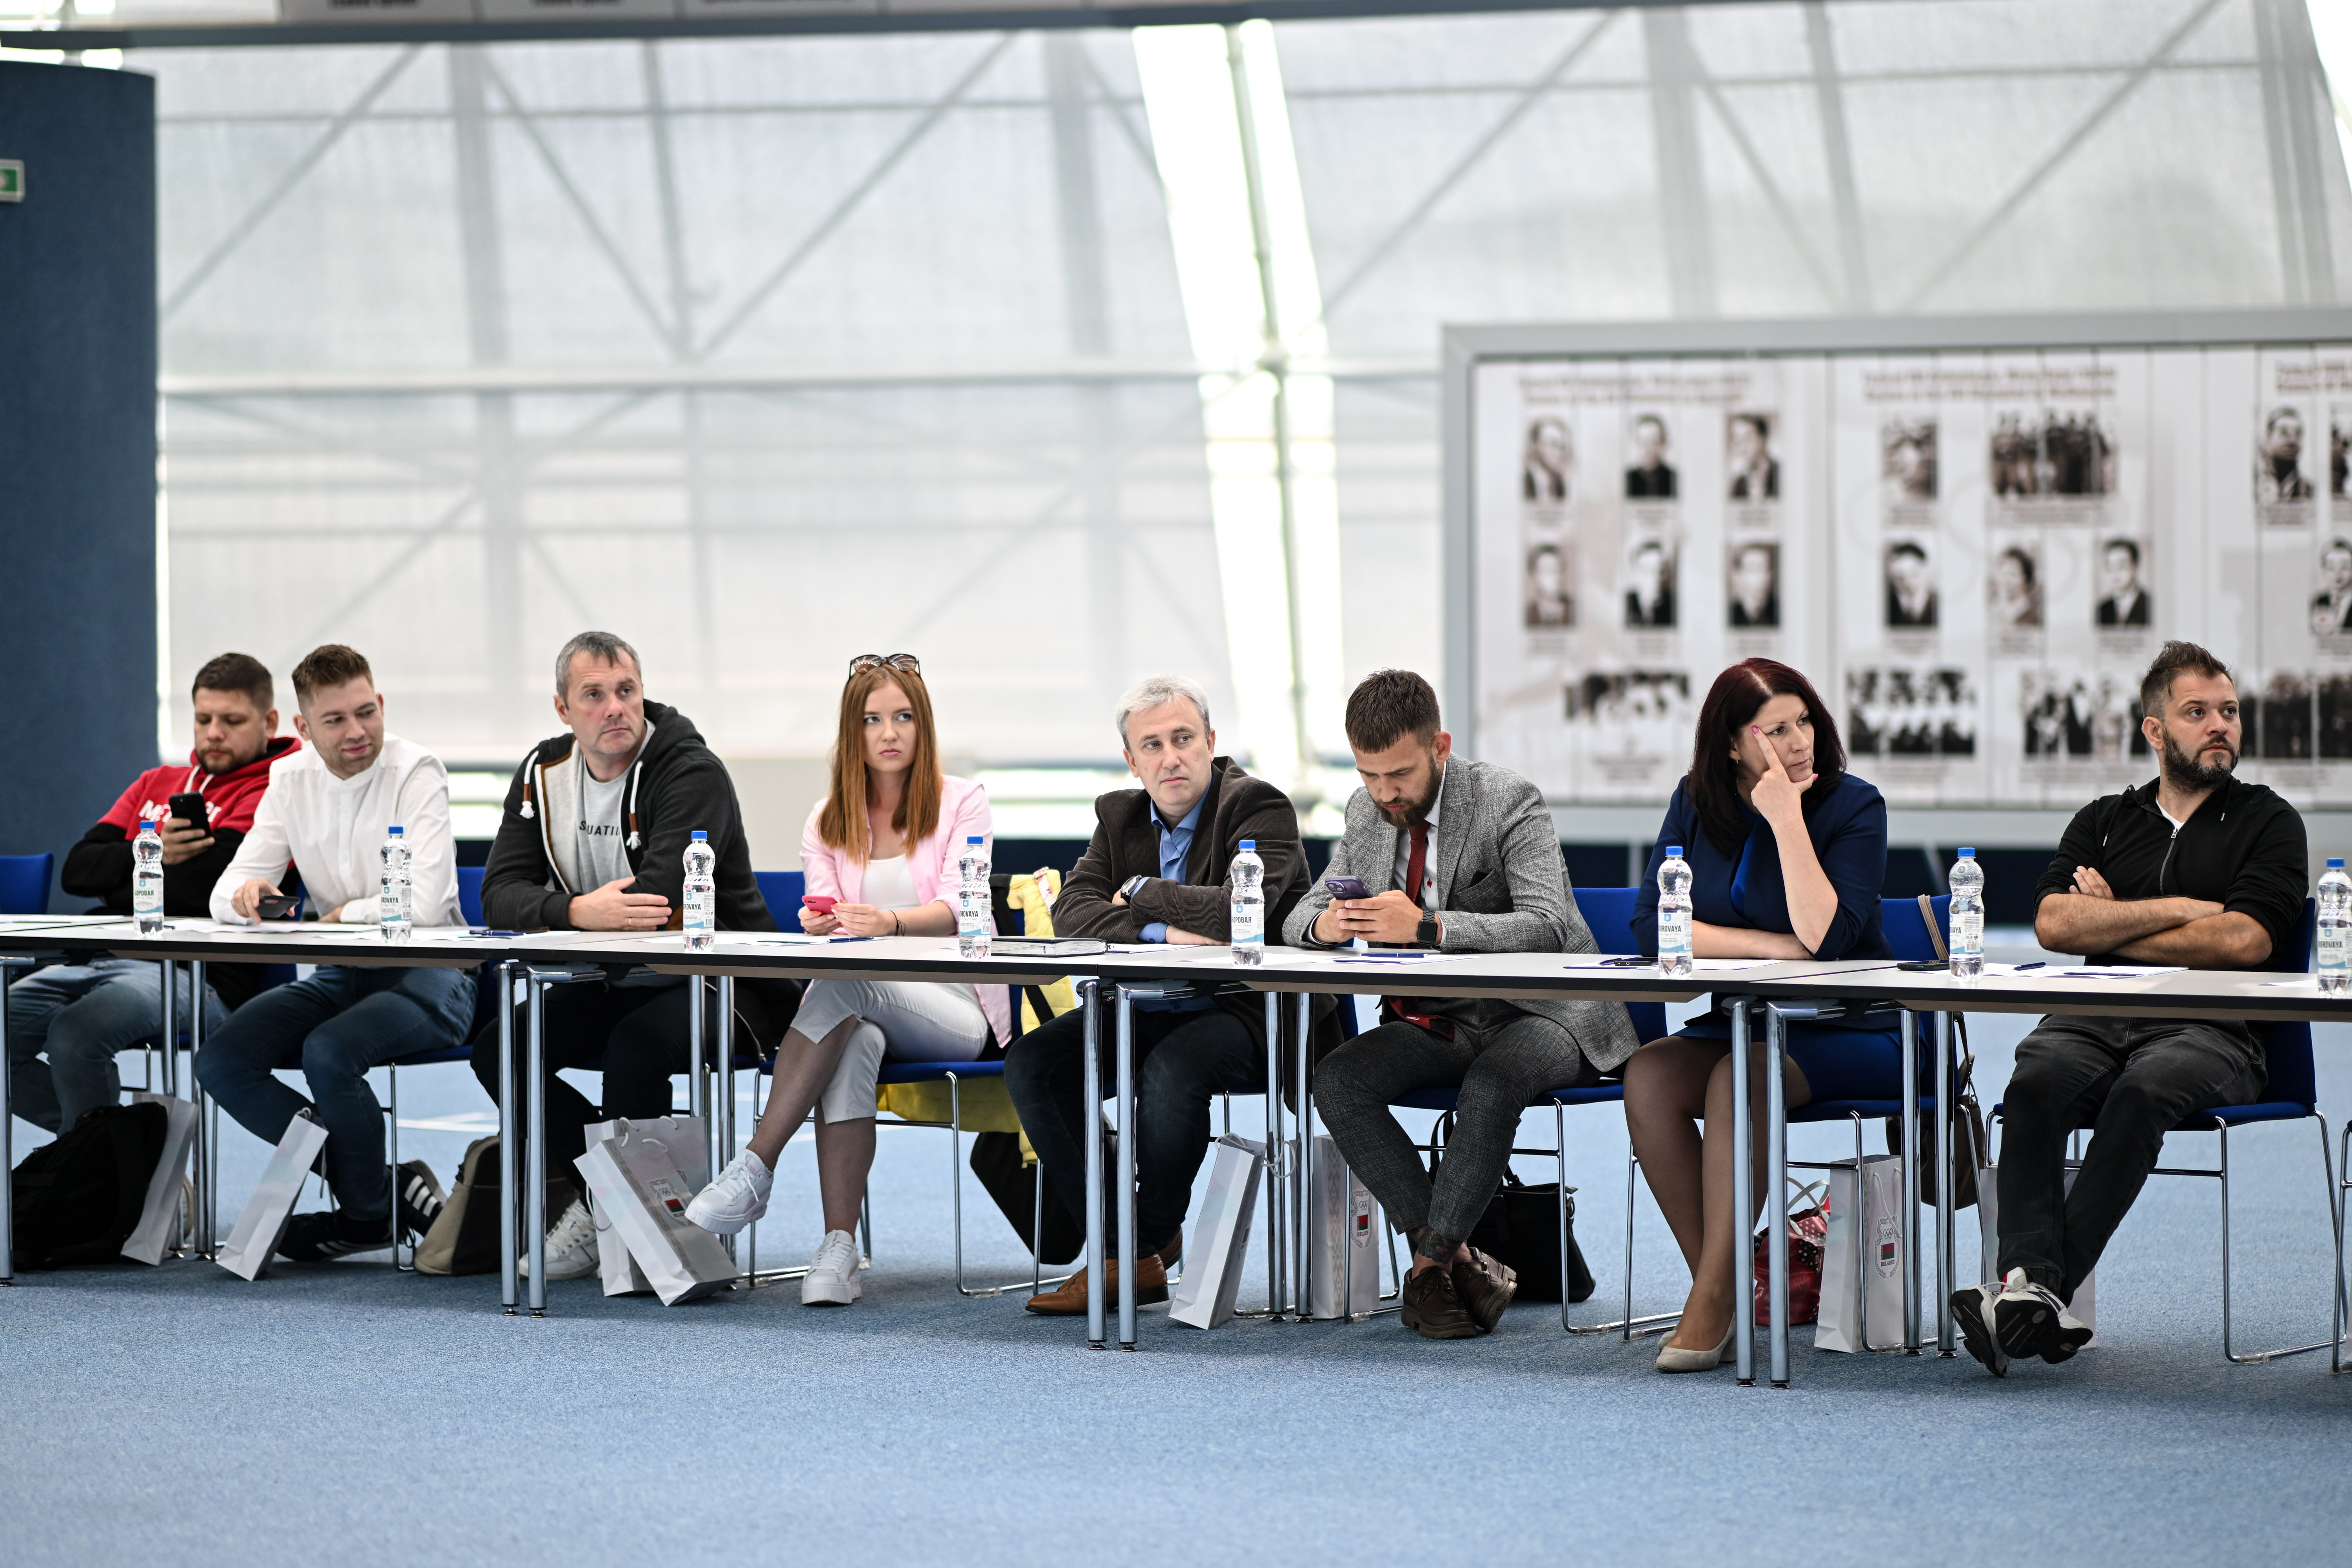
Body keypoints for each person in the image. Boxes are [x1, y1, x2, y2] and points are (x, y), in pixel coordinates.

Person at [1955, 641, 2305, 1377]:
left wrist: (2113, 924)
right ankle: (2032, 1293)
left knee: (2144, 1091)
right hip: (2093, 1018)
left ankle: (2027, 1289)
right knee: (2034, 1083)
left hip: (2216, 1030)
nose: (2220, 726)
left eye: (2229, 711)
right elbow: (2054, 923)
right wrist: (2181, 911)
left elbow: (2245, 940)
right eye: (2197, 712)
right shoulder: (2106, 820)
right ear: (2155, 731)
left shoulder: (2270, 821)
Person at [1289, 670, 1637, 1340]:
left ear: (1440, 747)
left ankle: (1427, 1270)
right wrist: (1326, 925)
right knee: (1337, 1078)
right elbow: (1300, 915)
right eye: (1368, 775)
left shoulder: (1508, 800)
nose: (1385, 793)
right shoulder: (1365, 812)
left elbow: (1548, 924)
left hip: (1545, 1012)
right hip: (1437, 1022)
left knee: (1494, 1081)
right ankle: (1457, 1259)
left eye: (1399, 774)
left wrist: (1428, 926)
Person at [468, 630, 797, 1280]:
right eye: (594, 695)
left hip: (726, 986)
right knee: (501, 1049)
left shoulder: (690, 771)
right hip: (612, 978)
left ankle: (633, 1231)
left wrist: (568, 912)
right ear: (563, 709)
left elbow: (657, 902)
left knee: (635, 1048)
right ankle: (612, 1203)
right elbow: (497, 894)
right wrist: (575, 911)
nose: (615, 707)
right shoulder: (542, 775)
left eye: (627, 691)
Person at [1004, 675, 1322, 1316]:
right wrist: (1167, 930)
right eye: (1152, 745)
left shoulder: (1259, 806)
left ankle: (1133, 1249)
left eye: (1183, 739)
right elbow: (1072, 913)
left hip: (1245, 1007)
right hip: (1143, 1005)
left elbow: (1239, 914)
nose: (1170, 757)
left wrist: (1140, 892)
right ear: (1132, 760)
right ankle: (1130, 1255)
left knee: (1172, 1070)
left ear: (1210, 742)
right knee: (1035, 1063)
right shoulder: (1118, 816)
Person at [686, 655, 999, 1305]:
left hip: (956, 1007)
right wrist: (821, 923)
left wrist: (888, 922)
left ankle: (756, 1164)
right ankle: (839, 1248)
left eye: (904, 717)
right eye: (872, 720)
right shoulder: (828, 817)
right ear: (852, 732)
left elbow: (960, 908)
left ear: (923, 725)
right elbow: (826, 913)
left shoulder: (963, 801)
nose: (890, 733)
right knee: (854, 1037)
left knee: (848, 983)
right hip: (861, 1006)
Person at [1620, 659, 1895, 1372]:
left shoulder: (1854, 806)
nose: (1799, 741)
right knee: (1649, 1075)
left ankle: (1713, 1300)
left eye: (1804, 722)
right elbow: (1653, 926)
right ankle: (1725, 1287)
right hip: (1746, 1019)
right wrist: (1770, 946)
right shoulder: (1695, 801)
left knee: (1736, 1078)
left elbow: (1827, 938)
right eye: (1776, 730)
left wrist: (1786, 817)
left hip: (1854, 1027)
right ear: (1732, 745)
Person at [195, 645, 471, 1261]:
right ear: (303, 727)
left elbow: (426, 903)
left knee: (329, 1051)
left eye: (367, 712)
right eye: (336, 720)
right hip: (339, 975)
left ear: (382, 704)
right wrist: (248, 896)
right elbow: (223, 894)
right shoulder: (288, 779)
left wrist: (347, 913)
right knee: (221, 1061)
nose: (357, 732)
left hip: (433, 973)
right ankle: (375, 1188)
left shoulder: (417, 770)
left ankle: (367, 1214)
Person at [7, 654, 294, 1133]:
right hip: (98, 958)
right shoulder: (156, 782)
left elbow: (207, 888)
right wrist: (156, 854)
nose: (214, 733)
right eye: (203, 719)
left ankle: (104, 1164)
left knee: (77, 1033)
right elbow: (78, 870)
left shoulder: (277, 787)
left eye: (232, 721)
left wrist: (123, 876)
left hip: (198, 975)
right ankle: (119, 1152)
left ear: (269, 722)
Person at [2258, 407, 2311, 502]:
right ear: (2268, 440)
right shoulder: (2254, 485)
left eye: (2298, 434)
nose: (2292, 441)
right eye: (2284, 433)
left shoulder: (2309, 491)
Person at [2096, 539, 2149, 627]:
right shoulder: (2103, 609)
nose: (2115, 573)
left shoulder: (2149, 605)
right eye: (2110, 567)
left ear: (2136, 567)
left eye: (2122, 566)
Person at [1625, 537, 1677, 629]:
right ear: (1636, 574)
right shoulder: (1627, 606)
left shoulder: (1672, 609)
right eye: (1648, 571)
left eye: (1660, 571)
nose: (1656, 579)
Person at [1726, 413, 1777, 501]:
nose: (1742, 449)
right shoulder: (1739, 485)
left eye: (1747, 440)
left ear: (1763, 439)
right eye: (1738, 442)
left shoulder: (1781, 475)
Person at [1885, 541, 1936, 627]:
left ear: (1927, 570)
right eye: (1900, 577)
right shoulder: (1889, 606)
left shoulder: (1937, 603)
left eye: (1914, 574)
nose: (1908, 582)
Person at [1727, 541, 1778, 628]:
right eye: (1753, 570)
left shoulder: (1778, 611)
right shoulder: (1730, 614)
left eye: (1766, 569)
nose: (1762, 577)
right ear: (1739, 576)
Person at [1625, 414, 1677, 499]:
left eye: (1654, 442)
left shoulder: (1673, 477)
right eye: (1644, 442)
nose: (1649, 449)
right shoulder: (1628, 479)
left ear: (1663, 443)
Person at [1524, 543, 1573, 628]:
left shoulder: (1572, 610)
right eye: (1548, 571)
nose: (1557, 577)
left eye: (1559, 570)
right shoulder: (1528, 614)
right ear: (1534, 576)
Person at [1523, 417, 1571, 503]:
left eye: (1562, 447)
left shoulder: (1560, 484)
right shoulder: (1526, 482)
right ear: (1535, 446)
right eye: (1553, 444)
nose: (1559, 453)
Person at [1991, 545, 2040, 628]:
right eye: (2004, 574)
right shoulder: (1996, 614)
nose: (2007, 581)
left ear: (2025, 579)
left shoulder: (2032, 618)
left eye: (2013, 575)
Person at [2311, 539, 2352, 635]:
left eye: (2344, 567)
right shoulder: (2318, 601)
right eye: (2332, 568)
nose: (2338, 574)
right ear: (2324, 570)